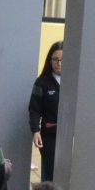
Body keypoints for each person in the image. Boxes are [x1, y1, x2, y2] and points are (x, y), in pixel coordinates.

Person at [29, 42, 63, 182]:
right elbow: (34, 108)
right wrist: (35, 130)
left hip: (70, 136)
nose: (59, 63)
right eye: (55, 59)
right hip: (49, 136)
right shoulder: (42, 82)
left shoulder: (75, 81)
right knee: (50, 174)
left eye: (62, 60)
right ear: (50, 60)